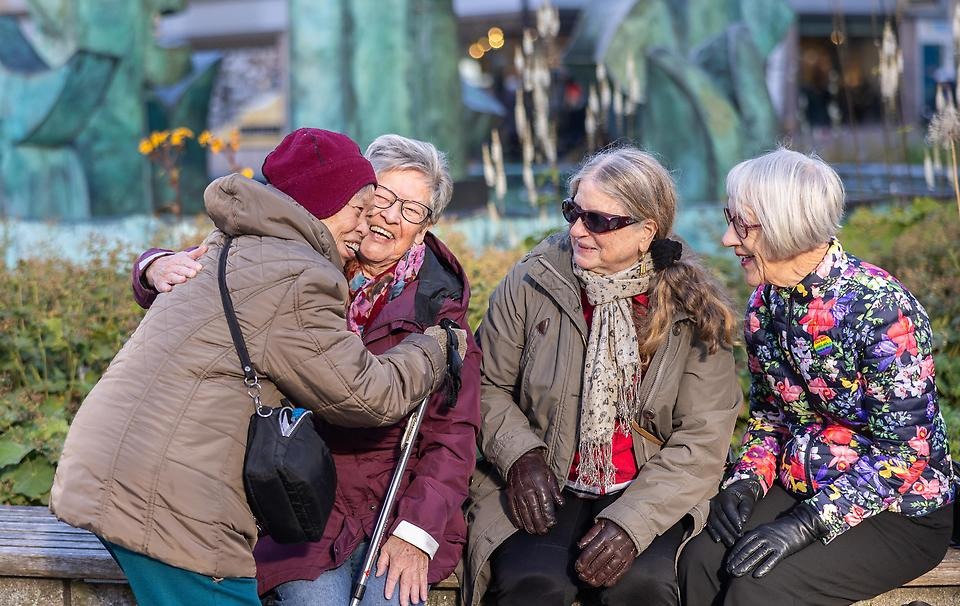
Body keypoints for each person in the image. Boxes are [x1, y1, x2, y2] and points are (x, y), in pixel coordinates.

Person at [50, 128, 465, 606]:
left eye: (410, 209)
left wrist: (417, 531)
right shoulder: (302, 273)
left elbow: (451, 436)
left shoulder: (250, 237)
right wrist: (435, 350)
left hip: (120, 470)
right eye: (368, 204)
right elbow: (365, 394)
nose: (375, 219)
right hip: (177, 496)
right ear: (325, 203)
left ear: (428, 223)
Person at [464, 146, 743, 606]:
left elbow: (703, 435)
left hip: (652, 484)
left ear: (644, 232)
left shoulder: (691, 305)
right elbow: (486, 383)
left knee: (642, 588)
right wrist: (519, 456)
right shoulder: (533, 280)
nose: (577, 230)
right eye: (573, 211)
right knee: (533, 585)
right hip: (549, 476)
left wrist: (630, 524)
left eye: (598, 221)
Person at [678, 148, 956, 605]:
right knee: (699, 561)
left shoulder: (881, 310)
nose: (728, 238)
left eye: (741, 225)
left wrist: (805, 524)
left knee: (757, 590)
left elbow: (906, 456)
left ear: (785, 225)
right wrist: (746, 480)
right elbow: (771, 418)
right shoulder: (765, 306)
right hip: (807, 482)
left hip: (900, 508)